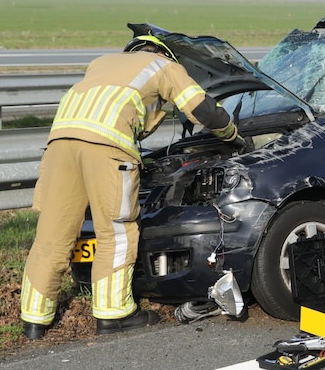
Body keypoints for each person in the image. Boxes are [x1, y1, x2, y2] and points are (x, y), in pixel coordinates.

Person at [19, 32, 242, 340]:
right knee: (117, 231)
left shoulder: (101, 63)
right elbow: (201, 108)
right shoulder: (163, 65)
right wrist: (231, 134)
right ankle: (114, 315)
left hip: (59, 144)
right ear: (163, 53)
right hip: (108, 147)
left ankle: (34, 320)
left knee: (51, 234)